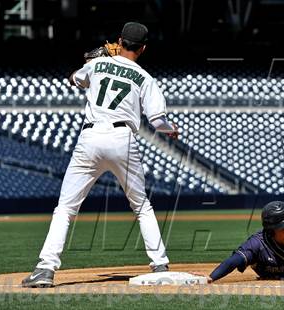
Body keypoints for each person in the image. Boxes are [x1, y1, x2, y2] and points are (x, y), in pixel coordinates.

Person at [22, 22, 178, 288]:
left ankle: (45, 269)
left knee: (66, 208)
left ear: (119, 40)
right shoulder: (145, 77)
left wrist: (95, 61)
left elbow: (73, 79)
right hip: (122, 139)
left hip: (90, 138)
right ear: (143, 48)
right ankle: (159, 264)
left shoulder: (97, 65)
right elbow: (158, 121)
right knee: (141, 206)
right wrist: (172, 131)